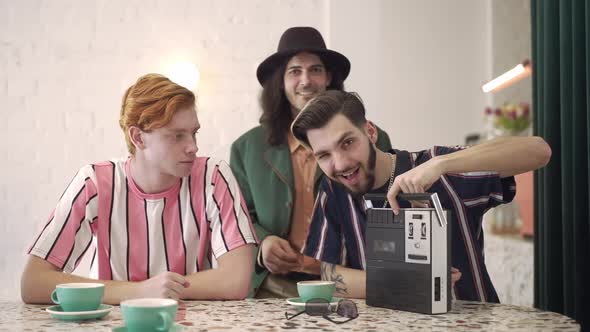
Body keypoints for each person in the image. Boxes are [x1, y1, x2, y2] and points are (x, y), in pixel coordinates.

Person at [291, 90, 552, 302]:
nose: (340, 163)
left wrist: (441, 164)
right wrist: (402, 279)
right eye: (323, 155)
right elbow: (330, 273)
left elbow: (538, 151)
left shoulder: (439, 169)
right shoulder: (333, 189)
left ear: (370, 132)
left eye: (347, 142)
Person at [21, 74, 258, 305]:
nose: (193, 147)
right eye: (177, 136)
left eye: (194, 133)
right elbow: (33, 282)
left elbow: (237, 280)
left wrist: (160, 290)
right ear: (138, 137)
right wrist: (139, 292)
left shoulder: (213, 176)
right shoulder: (94, 182)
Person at [230, 27, 392, 298]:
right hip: (272, 286)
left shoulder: (369, 137)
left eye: (315, 70)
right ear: (280, 82)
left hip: (349, 283)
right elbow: (237, 217)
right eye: (294, 71)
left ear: (328, 77)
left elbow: (387, 207)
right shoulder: (246, 148)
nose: (306, 81)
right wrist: (264, 243)